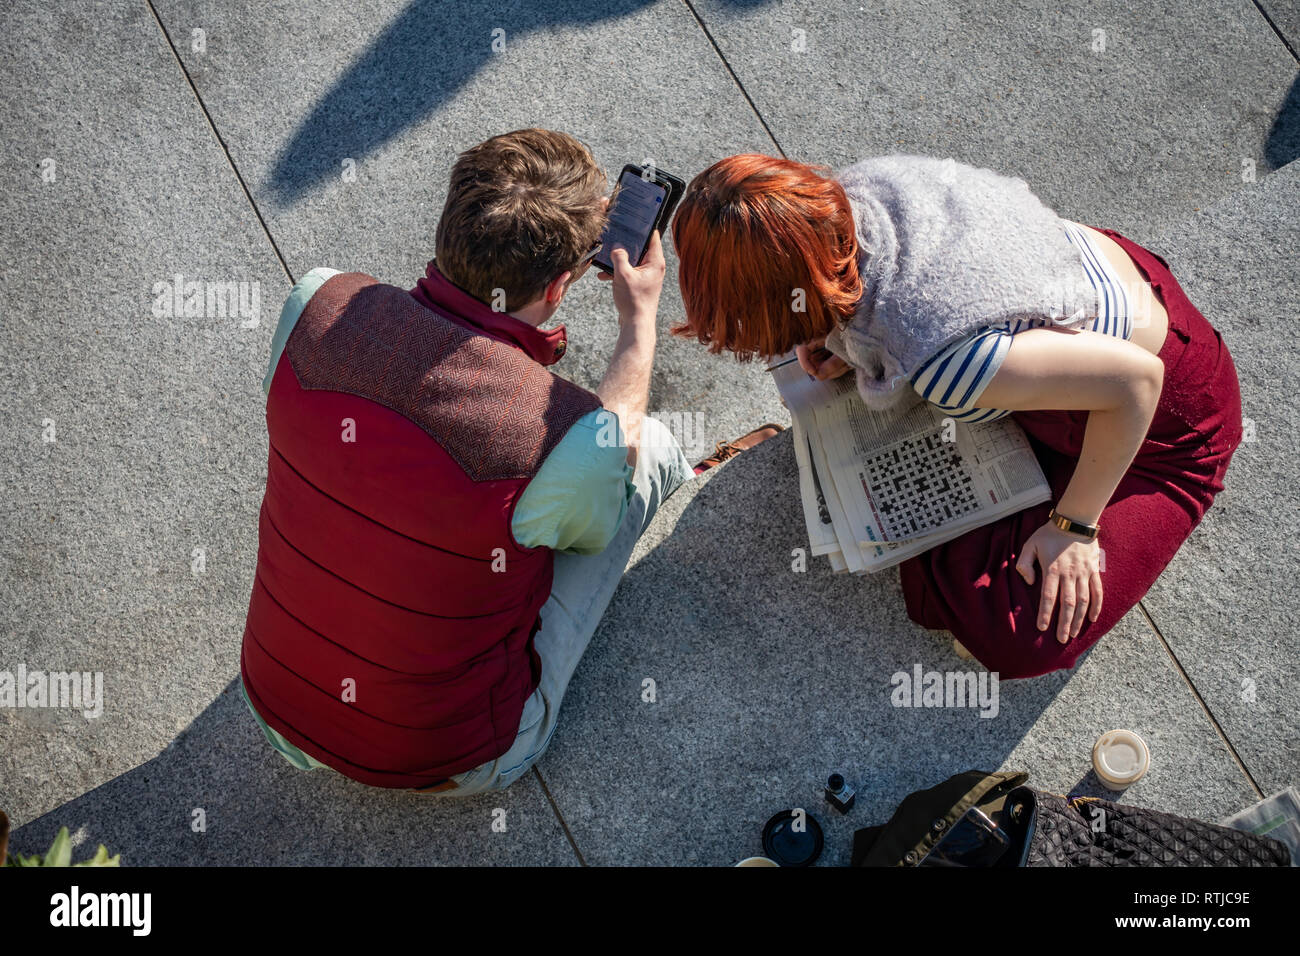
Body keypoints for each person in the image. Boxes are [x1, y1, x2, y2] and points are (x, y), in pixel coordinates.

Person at [238, 129, 700, 794]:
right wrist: (639, 325)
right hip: (452, 759)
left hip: (275, 706)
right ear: (562, 283)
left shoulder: (315, 304)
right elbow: (592, 530)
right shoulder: (566, 433)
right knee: (641, 449)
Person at [670, 153, 1242, 679]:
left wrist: (1076, 527)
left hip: (1169, 420)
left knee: (1025, 632)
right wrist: (833, 332)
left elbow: (1138, 382)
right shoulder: (857, 189)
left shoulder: (947, 364)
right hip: (1101, 276)